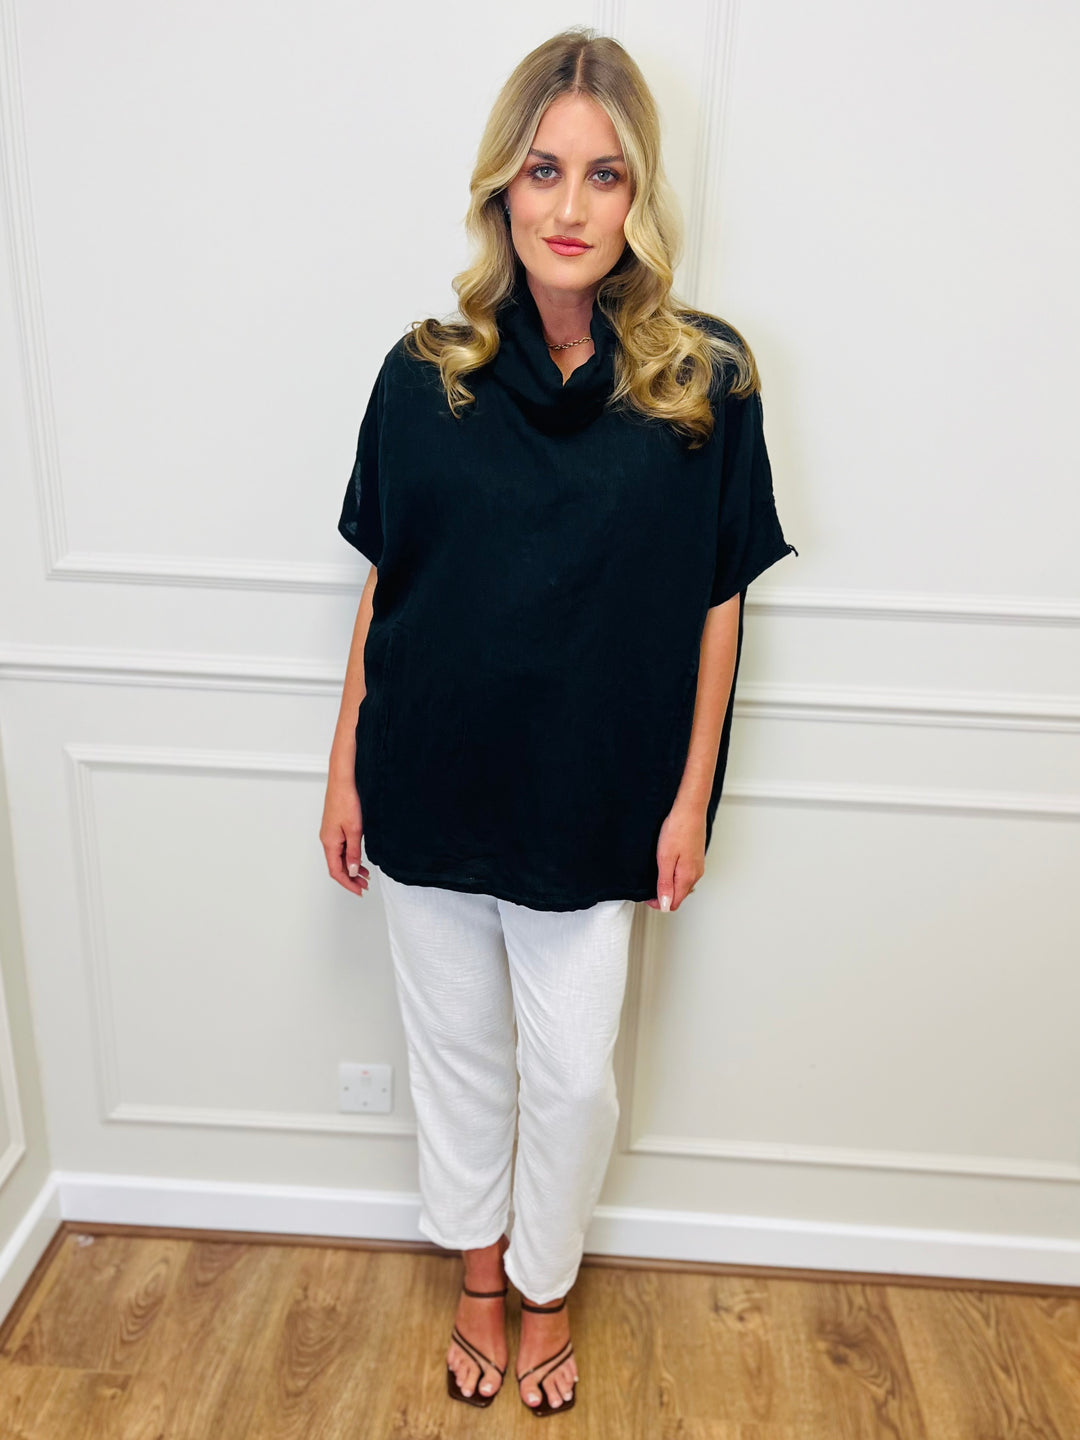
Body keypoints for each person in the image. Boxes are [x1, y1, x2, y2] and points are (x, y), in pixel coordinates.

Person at [320, 26, 798, 1418]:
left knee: (575, 1078)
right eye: (544, 170)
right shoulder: (425, 373)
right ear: (502, 188)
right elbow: (386, 585)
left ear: (641, 194)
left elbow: (720, 603)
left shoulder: (704, 379)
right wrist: (344, 767)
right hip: (428, 774)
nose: (573, 206)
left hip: (597, 796)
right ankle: (482, 1283)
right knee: (458, 1059)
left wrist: (691, 799)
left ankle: (547, 1280)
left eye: (605, 174)